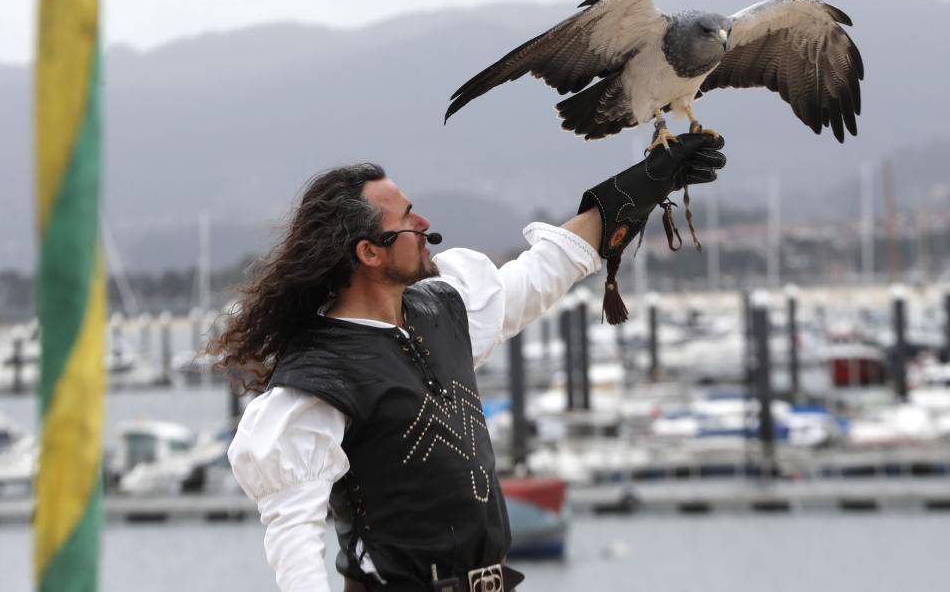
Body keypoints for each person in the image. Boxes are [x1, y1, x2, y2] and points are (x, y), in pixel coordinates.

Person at [212, 133, 726, 591]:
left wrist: (648, 181)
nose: (424, 222)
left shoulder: (446, 307)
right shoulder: (319, 378)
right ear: (370, 253)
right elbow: (294, 536)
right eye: (407, 219)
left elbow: (548, 269)